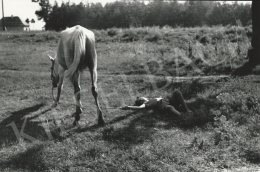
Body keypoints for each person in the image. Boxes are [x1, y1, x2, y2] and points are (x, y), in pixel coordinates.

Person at [120, 89, 192, 118]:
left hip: (168, 101)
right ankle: (182, 116)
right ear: (141, 101)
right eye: (140, 99)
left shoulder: (150, 99)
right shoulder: (146, 103)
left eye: (141, 97)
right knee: (170, 107)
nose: (142, 97)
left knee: (176, 91)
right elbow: (139, 108)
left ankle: (187, 110)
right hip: (162, 105)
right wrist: (128, 107)